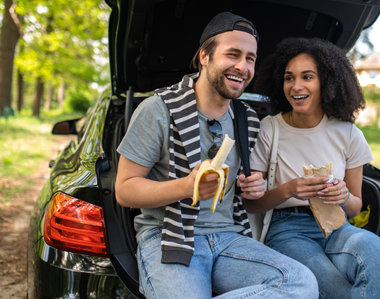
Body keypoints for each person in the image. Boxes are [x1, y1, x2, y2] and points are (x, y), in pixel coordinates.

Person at [115, 12, 318, 299]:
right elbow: (124, 190)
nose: (242, 66)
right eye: (232, 54)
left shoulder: (247, 119)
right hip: (168, 236)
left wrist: (255, 189)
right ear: (205, 57)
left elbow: (250, 202)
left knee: (301, 283)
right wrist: (187, 186)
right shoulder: (157, 109)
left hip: (230, 239)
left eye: (250, 58)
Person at [244, 37, 380, 299]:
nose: (296, 86)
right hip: (288, 230)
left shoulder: (348, 134)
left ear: (326, 82)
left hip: (338, 226)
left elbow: (355, 206)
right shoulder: (271, 128)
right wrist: (289, 189)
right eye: (289, 78)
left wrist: (344, 196)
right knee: (336, 290)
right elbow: (252, 204)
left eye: (307, 77)